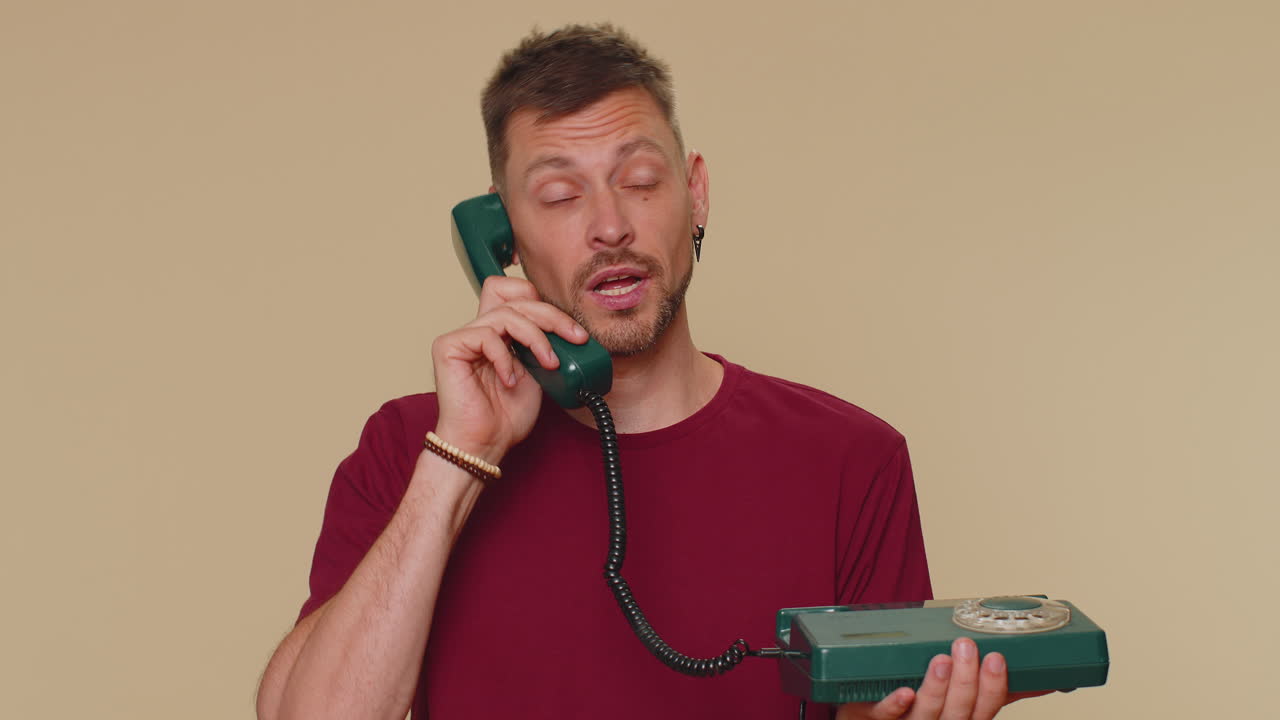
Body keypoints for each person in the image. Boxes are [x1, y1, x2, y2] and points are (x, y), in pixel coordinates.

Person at [257, 23, 1035, 720]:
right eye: (560, 196)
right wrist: (459, 459)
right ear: (502, 231)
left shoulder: (852, 459)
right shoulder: (408, 448)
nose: (609, 226)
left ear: (695, 193)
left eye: (638, 181)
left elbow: (874, 707)